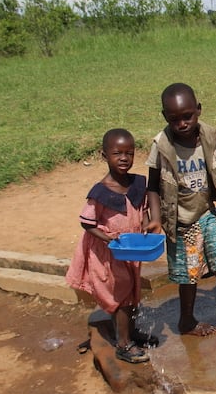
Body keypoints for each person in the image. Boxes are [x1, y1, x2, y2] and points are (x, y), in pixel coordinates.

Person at [145, 83, 216, 347]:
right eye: (175, 119)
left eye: (188, 116)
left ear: (198, 110)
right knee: (188, 275)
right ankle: (186, 320)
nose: (182, 123)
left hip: (205, 214)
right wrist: (154, 217)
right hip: (179, 219)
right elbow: (152, 185)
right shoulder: (161, 145)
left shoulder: (209, 137)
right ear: (165, 117)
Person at [66, 129, 154, 364]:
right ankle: (124, 344)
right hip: (109, 253)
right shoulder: (100, 192)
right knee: (122, 294)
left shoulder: (136, 184)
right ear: (104, 155)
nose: (124, 158)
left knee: (133, 291)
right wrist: (109, 240)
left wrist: (145, 225)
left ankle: (131, 333)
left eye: (129, 153)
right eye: (117, 153)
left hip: (131, 250)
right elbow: (87, 223)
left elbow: (143, 210)